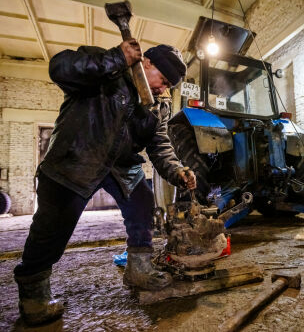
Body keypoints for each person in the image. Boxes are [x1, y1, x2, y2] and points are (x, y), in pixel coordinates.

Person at [13, 39, 196, 326]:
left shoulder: (157, 107)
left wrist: (177, 171)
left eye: (169, 86)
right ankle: (34, 294)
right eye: (163, 80)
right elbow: (59, 67)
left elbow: (160, 147)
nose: (164, 89)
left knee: (142, 206)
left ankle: (139, 269)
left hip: (122, 167)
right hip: (76, 158)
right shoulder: (107, 69)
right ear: (146, 63)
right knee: (52, 227)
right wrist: (115, 58)